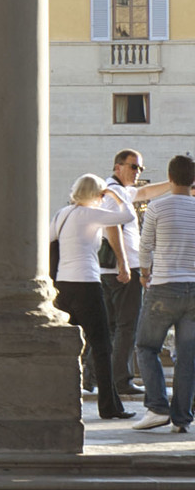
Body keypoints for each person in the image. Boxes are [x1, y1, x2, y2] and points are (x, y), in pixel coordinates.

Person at [50, 174, 137, 420]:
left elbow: (47, 242)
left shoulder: (62, 214)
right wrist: (116, 194)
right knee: (101, 347)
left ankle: (60, 401)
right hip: (87, 285)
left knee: (67, 346)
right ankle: (108, 406)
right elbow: (128, 217)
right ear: (98, 194)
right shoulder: (91, 214)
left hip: (63, 287)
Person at [136, 154, 195, 432]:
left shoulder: (157, 208)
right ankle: (181, 419)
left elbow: (145, 245)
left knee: (146, 347)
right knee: (188, 356)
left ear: (169, 178)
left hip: (163, 286)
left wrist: (145, 274)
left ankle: (158, 407)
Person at [102, 148, 150, 398]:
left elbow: (144, 192)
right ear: (118, 166)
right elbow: (112, 226)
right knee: (126, 326)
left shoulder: (119, 190)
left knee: (111, 327)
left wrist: (177, 183)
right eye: (134, 167)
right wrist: (122, 263)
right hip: (123, 269)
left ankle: (96, 378)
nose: (137, 172)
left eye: (140, 168)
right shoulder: (113, 192)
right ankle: (121, 381)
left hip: (116, 269)